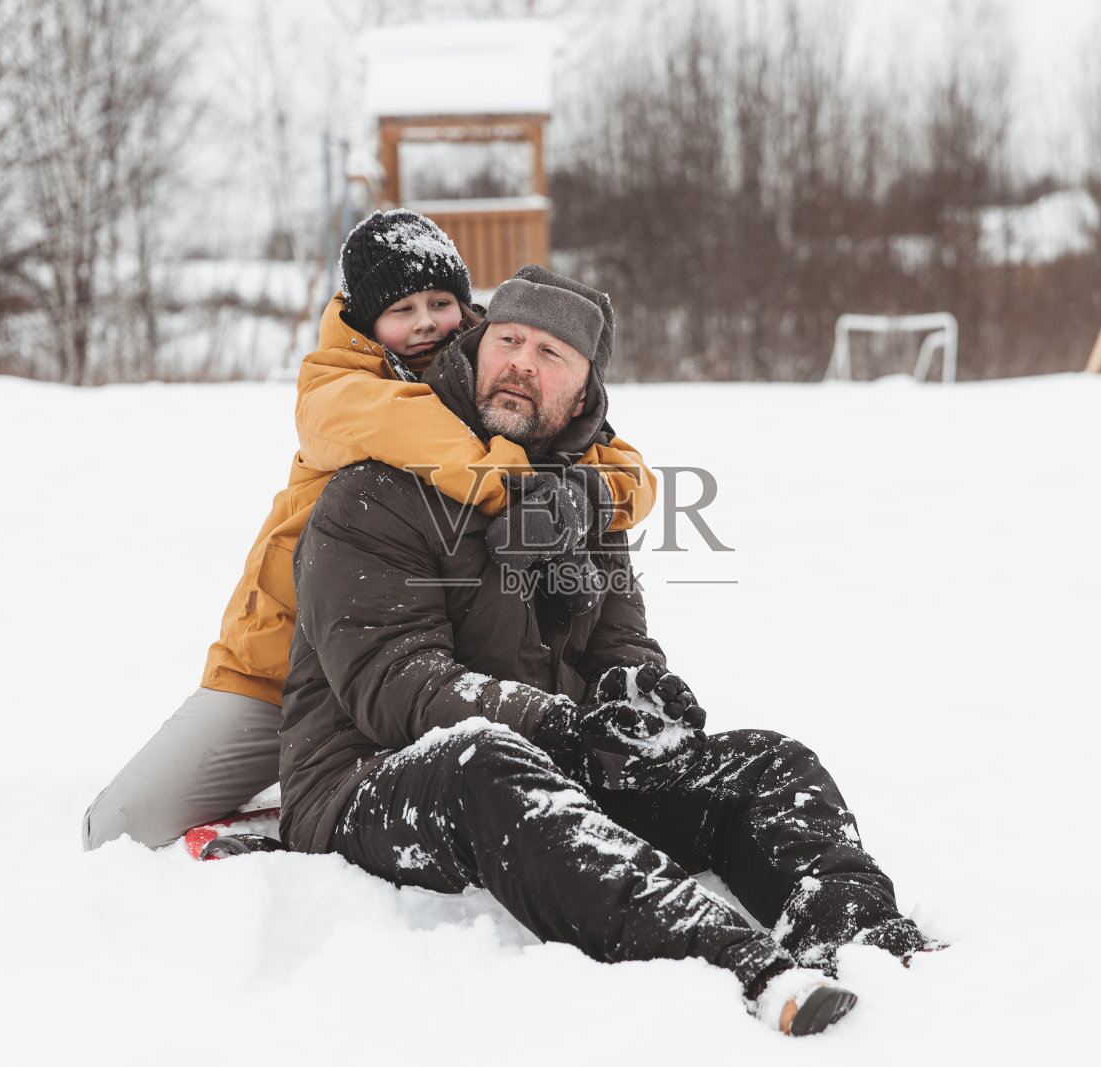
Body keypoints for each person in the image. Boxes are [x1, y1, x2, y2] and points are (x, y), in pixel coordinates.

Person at [280, 266, 935, 1036]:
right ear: (477, 347)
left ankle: (867, 942)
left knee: (767, 761)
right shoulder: (374, 489)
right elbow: (395, 683)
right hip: (371, 775)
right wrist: (558, 722)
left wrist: (640, 690)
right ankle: (738, 963)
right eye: (509, 340)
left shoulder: (586, 493)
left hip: (549, 749)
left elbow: (620, 638)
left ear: (585, 389)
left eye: (551, 352)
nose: (522, 362)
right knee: (482, 760)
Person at [82, 212, 656, 850]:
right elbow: (440, 449)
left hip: (409, 658)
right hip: (279, 668)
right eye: (400, 308)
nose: (424, 323)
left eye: (440, 303)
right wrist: (530, 492)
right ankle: (294, 789)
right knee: (118, 832)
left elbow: (622, 461)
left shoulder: (499, 371)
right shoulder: (342, 390)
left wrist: (590, 498)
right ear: (361, 319)